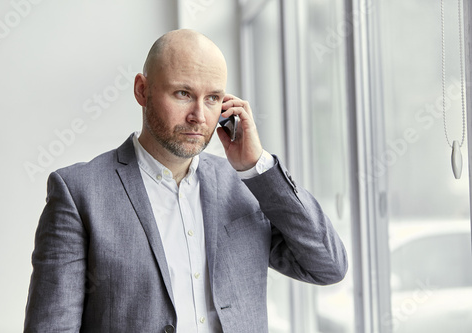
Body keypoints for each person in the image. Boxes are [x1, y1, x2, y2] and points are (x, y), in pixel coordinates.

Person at [24, 29, 347, 333]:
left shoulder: (247, 186)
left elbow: (326, 266)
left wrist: (255, 168)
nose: (200, 116)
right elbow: (52, 325)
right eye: (183, 93)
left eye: (213, 98)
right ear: (142, 90)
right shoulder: (79, 191)